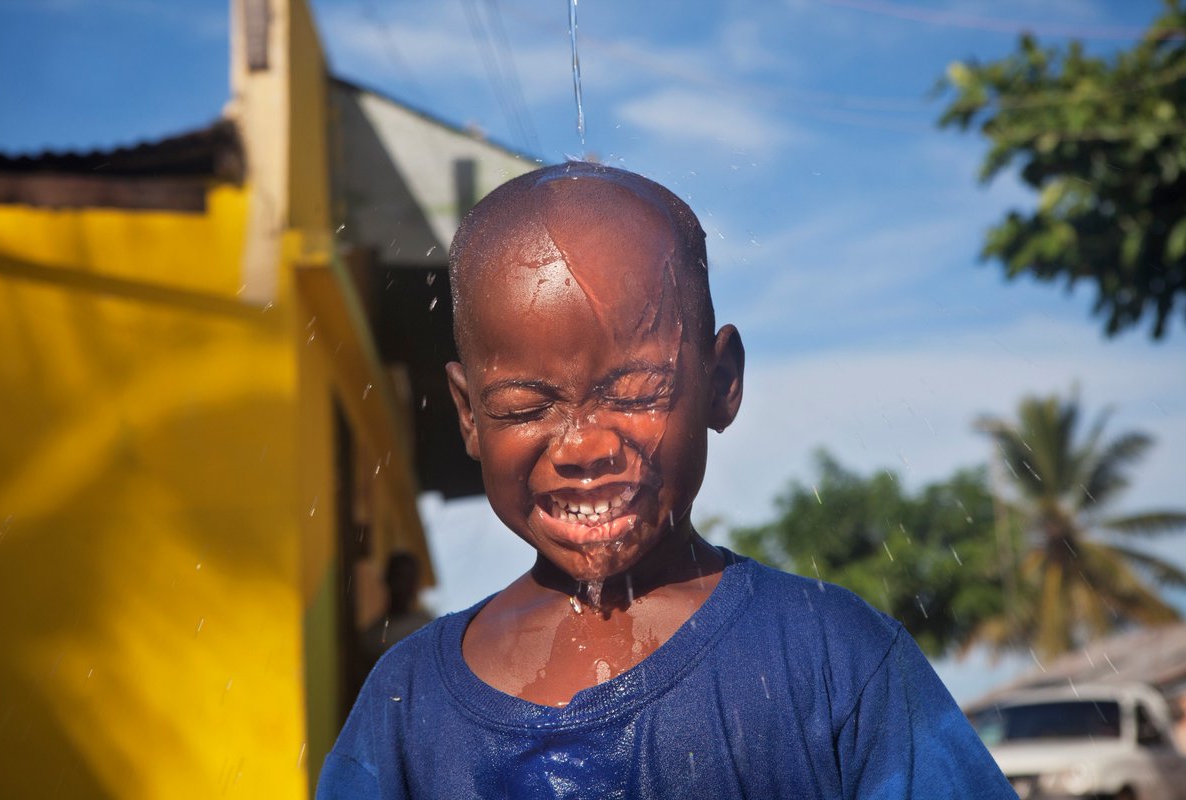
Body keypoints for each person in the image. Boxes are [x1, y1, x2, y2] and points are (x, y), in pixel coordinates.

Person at [317, 162, 1017, 798]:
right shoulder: (406, 708)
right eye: (526, 408)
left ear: (721, 383)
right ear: (470, 415)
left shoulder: (834, 662)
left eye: (636, 393)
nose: (584, 445)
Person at [357, 552, 434, 684]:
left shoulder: (430, 629)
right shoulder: (371, 637)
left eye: (410, 579)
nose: (404, 586)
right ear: (387, 580)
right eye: (399, 578)